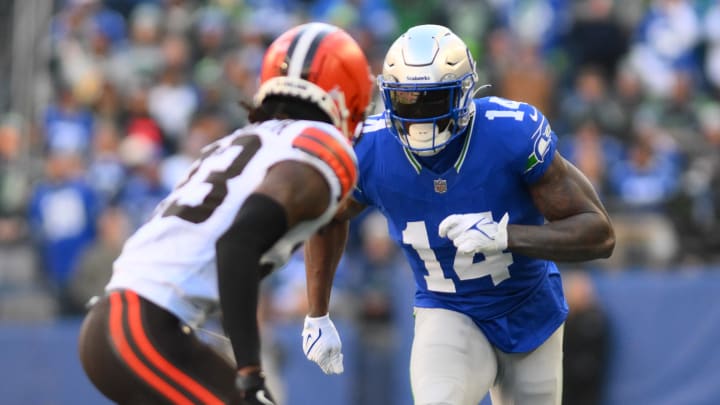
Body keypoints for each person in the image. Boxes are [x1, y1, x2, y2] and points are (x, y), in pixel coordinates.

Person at [302, 24, 615, 405]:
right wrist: (316, 313)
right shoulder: (371, 148)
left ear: (464, 92)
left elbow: (599, 234)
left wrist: (506, 236)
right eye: (405, 100)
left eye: (431, 101)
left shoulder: (509, 134)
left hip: (530, 310)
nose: (417, 116)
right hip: (447, 309)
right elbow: (329, 217)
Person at [77, 21, 373, 405]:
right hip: (143, 325)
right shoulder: (323, 147)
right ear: (344, 91)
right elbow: (236, 244)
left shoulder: (241, 141)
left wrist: (315, 314)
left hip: (128, 321)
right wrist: (249, 372)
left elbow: (317, 220)